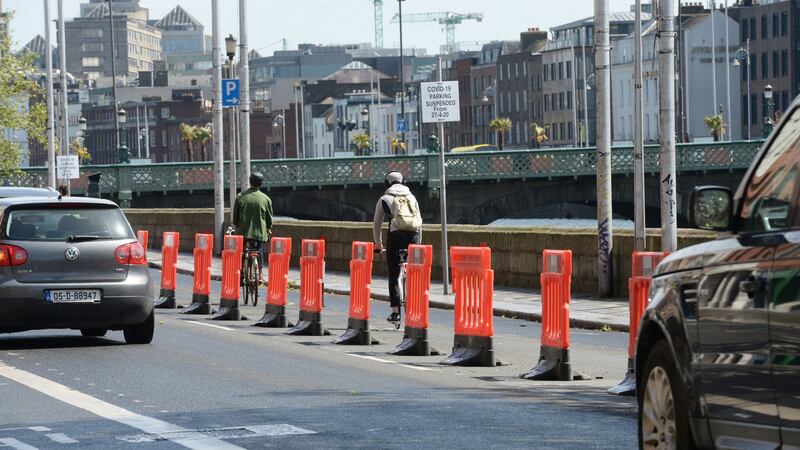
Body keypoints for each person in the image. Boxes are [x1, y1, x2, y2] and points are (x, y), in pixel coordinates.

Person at [373, 171, 422, 324]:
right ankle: (414, 308)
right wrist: (418, 243)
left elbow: (377, 224)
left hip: (395, 236)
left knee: (394, 274)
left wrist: (378, 243)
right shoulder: (412, 197)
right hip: (413, 236)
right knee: (413, 274)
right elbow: (420, 221)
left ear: (387, 183)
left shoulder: (384, 199)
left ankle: (395, 312)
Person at [232, 172, 274, 273]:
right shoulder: (266, 199)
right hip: (259, 233)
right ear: (261, 184)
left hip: (243, 232)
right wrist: (268, 229)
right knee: (258, 249)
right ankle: (260, 272)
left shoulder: (241, 196)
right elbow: (269, 220)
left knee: (242, 251)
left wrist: (238, 226)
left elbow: (235, 219)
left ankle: (242, 270)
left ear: (250, 182)